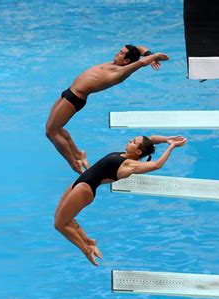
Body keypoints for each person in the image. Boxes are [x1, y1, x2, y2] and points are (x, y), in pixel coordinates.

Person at [53, 135, 187, 266]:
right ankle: (89, 241)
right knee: (61, 217)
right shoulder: (127, 154)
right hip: (80, 182)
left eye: (133, 142)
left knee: (60, 224)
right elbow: (151, 139)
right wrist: (167, 139)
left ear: (138, 151)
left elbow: (156, 165)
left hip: (85, 189)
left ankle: (86, 249)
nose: (129, 141)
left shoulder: (130, 165)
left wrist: (172, 147)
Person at [45, 45, 169, 174]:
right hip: (69, 91)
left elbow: (142, 62)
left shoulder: (120, 72)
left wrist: (155, 56)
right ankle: (78, 155)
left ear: (126, 61)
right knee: (56, 129)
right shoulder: (117, 63)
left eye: (121, 53)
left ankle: (73, 163)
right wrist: (149, 53)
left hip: (75, 98)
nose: (117, 53)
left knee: (52, 132)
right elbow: (138, 48)